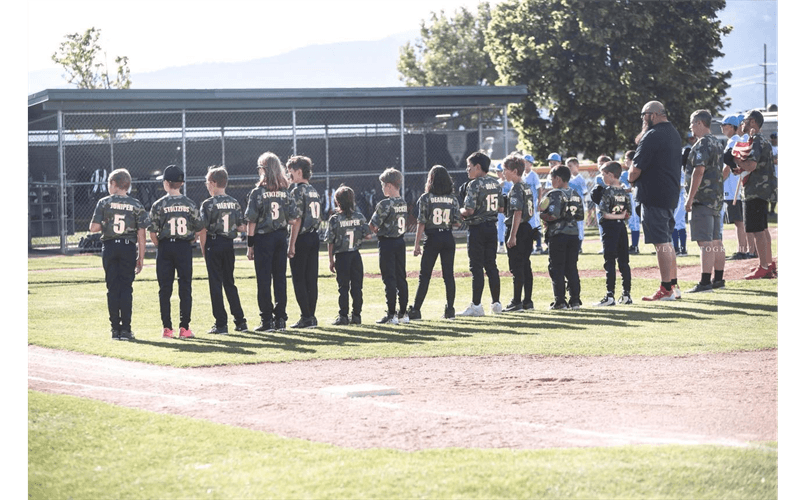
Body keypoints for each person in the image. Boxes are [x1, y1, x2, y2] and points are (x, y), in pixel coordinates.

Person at [628, 101, 682, 301]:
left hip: (653, 195)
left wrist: (630, 178)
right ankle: (673, 285)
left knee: (661, 243)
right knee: (667, 242)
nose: (643, 119)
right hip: (669, 195)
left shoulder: (652, 135)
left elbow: (635, 170)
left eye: (644, 115)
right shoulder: (674, 133)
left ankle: (666, 288)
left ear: (653, 114)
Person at [89, 168, 149, 340]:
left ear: (114, 185)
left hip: (109, 247)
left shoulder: (104, 202)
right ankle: (126, 329)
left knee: (112, 288)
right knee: (126, 289)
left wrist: (106, 223)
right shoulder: (136, 205)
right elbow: (141, 235)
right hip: (128, 248)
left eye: (109, 183)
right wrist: (141, 258)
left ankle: (115, 329)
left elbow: (93, 228)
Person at [245, 151, 300, 332]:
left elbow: (251, 221)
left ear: (263, 170)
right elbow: (293, 218)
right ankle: (281, 319)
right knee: (280, 279)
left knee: (263, 279)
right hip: (280, 238)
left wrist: (250, 245)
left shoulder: (258, 192)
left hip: (263, 238)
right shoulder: (286, 192)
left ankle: (266, 320)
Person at [148, 165, 203, 339]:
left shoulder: (159, 205)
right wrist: (188, 241)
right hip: (183, 248)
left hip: (165, 247)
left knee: (165, 288)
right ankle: (184, 328)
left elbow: (153, 233)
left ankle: (167, 328)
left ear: (166, 183)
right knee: (185, 287)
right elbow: (199, 229)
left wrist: (161, 246)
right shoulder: (190, 203)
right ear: (181, 183)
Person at [197, 166, 248, 334]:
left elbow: (202, 229)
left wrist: (204, 249)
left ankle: (221, 323)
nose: (206, 186)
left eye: (207, 183)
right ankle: (240, 321)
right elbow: (241, 227)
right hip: (228, 245)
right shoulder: (234, 202)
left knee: (215, 284)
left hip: (214, 243)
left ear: (213, 183)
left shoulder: (208, 204)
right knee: (229, 283)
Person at [407, 165, 461, 321]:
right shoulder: (452, 199)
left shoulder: (426, 198)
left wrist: (416, 244)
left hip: (433, 238)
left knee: (424, 276)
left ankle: (416, 310)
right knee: (448, 275)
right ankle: (450, 310)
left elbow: (421, 222)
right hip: (448, 237)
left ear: (431, 180)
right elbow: (457, 223)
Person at [684, 110, 726, 292]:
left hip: (703, 199)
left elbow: (698, 171)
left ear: (700, 123)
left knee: (705, 242)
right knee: (716, 241)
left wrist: (690, 197)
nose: (690, 128)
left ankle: (705, 282)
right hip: (716, 197)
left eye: (692, 124)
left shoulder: (702, 144)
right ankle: (718, 279)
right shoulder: (717, 142)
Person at [733, 110, 777, 279]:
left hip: (755, 191)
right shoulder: (762, 140)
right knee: (763, 229)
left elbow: (751, 165)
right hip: (762, 190)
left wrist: (736, 159)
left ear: (751, 121)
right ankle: (768, 264)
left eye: (744, 121)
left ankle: (764, 266)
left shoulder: (756, 139)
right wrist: (742, 167)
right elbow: (754, 166)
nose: (742, 124)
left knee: (758, 231)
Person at [457, 151, 503, 316]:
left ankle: (476, 306)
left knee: (476, 267)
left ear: (478, 167)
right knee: (491, 266)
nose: (467, 170)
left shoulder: (474, 184)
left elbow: (469, 210)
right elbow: (502, 208)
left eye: (469, 167)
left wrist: (458, 211)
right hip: (492, 228)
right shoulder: (496, 183)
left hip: (477, 229)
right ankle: (496, 304)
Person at [539, 165, 584, 310]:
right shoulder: (575, 194)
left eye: (551, 178)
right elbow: (580, 216)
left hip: (558, 235)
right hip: (574, 235)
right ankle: (575, 300)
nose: (551, 181)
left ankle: (560, 301)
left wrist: (542, 215)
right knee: (571, 267)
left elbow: (553, 215)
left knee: (556, 268)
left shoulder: (555, 193)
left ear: (557, 178)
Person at [326, 185, 371, 326]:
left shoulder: (334, 219)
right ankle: (356, 315)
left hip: (342, 256)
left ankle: (343, 316)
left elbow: (330, 241)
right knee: (357, 286)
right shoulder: (359, 216)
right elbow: (368, 235)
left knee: (343, 287)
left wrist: (330, 260)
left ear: (337, 202)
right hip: (355, 255)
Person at [370, 168, 409, 324]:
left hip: (387, 242)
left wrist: (379, 232)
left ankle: (391, 314)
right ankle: (403, 314)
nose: (382, 188)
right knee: (401, 278)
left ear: (390, 185)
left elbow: (372, 225)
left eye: (383, 185)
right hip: (400, 242)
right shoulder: (403, 202)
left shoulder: (384, 204)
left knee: (389, 279)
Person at [287, 155, 322, 329]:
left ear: (299, 172)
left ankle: (306, 316)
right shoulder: (314, 190)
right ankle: (312, 316)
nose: (289, 176)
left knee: (299, 278)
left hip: (302, 237)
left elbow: (297, 219)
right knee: (311, 278)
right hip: (314, 236)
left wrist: (291, 243)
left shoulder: (297, 191)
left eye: (291, 172)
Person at [592, 161, 632, 306]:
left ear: (610, 175)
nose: (602, 178)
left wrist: (617, 216)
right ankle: (626, 294)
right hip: (621, 228)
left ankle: (610, 295)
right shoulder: (624, 191)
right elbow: (628, 213)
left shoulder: (607, 191)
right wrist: (621, 217)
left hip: (610, 229)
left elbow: (603, 214)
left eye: (603, 174)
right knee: (624, 262)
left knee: (610, 261)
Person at [501, 154, 535, 312]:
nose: (503, 173)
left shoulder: (516, 188)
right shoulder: (526, 185)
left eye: (505, 170)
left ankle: (516, 301)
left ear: (514, 171)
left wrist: (512, 235)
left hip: (519, 228)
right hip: (528, 227)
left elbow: (517, 212)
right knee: (526, 265)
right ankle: (528, 301)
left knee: (517, 267)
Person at [721, 114, 753, 260]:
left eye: (724, 125)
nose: (722, 128)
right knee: (742, 221)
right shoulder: (737, 141)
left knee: (739, 222)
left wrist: (718, 181)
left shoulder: (733, 142)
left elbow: (727, 168)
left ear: (732, 127)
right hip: (737, 187)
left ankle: (742, 250)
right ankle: (750, 250)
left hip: (732, 188)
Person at [620, 150, 642, 254]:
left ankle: (635, 246)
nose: (625, 161)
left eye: (626, 159)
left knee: (634, 223)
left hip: (633, 199)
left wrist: (624, 190)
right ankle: (633, 246)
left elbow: (631, 188)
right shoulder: (625, 173)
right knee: (631, 223)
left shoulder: (633, 172)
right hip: (628, 200)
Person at [523, 154, 544, 254]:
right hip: (525, 205)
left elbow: (539, 189)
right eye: (524, 162)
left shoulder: (533, 175)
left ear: (531, 164)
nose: (524, 164)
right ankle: (530, 247)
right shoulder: (522, 175)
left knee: (535, 225)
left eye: (526, 162)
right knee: (528, 226)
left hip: (533, 204)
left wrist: (539, 202)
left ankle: (539, 246)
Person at [566, 157, 588, 253]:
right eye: (567, 166)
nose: (569, 168)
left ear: (577, 166)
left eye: (570, 166)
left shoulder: (580, 179)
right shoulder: (569, 179)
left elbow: (585, 192)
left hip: (578, 206)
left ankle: (579, 246)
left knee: (579, 226)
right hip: (569, 206)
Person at [495, 163, 512, 254]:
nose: (498, 173)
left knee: (506, 226)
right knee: (500, 227)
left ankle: (507, 244)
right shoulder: (497, 182)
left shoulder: (509, 182)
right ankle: (501, 245)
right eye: (497, 171)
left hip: (507, 209)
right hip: (499, 208)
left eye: (500, 171)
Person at [769, 131, 778, 216]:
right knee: (771, 192)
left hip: (778, 174)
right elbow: (773, 160)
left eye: (775, 138)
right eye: (773, 138)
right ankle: (770, 211)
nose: (775, 140)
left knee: (776, 193)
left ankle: (772, 210)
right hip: (771, 174)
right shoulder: (769, 148)